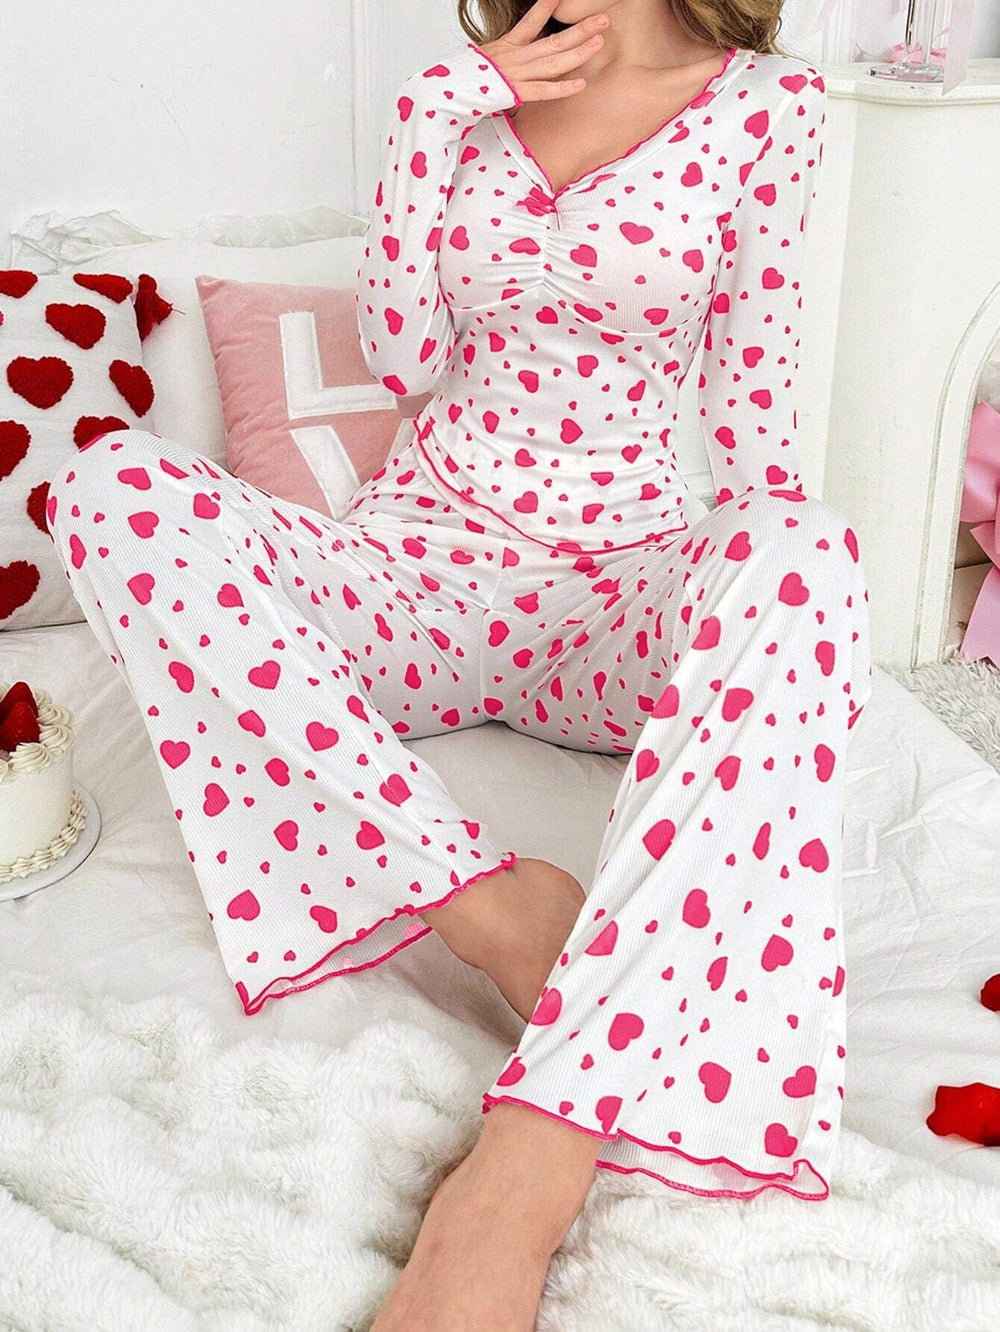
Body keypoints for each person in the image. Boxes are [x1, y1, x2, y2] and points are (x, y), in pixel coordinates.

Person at [46, 1, 873, 1327]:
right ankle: (487, 906)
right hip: (414, 580)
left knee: (805, 550)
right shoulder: (472, 98)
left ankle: (527, 1170)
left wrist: (760, 626)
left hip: (608, 602)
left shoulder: (769, 108)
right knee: (113, 486)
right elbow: (405, 360)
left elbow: (752, 391)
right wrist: (433, 119)